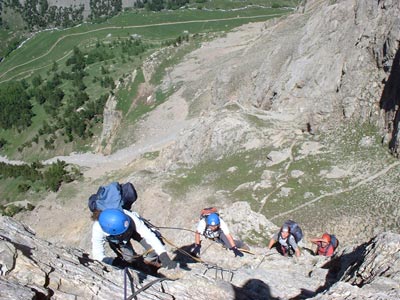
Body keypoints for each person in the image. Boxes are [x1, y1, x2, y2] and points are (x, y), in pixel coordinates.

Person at [91, 208, 177, 270]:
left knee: (153, 250)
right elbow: (97, 255)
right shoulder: (98, 229)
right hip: (118, 239)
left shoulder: (129, 217)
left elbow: (149, 236)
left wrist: (163, 254)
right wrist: (113, 262)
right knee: (129, 260)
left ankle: (150, 264)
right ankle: (139, 267)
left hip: (132, 229)